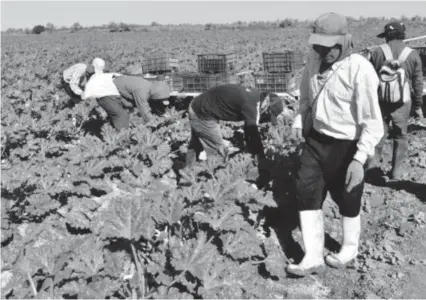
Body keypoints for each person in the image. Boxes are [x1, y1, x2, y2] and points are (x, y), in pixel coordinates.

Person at [286, 12, 384, 277]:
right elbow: (305, 97)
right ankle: (312, 256)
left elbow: (373, 122)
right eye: (319, 44)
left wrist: (359, 160)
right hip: (316, 141)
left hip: (347, 146)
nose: (324, 51)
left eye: (331, 46)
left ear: (346, 41)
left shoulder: (360, 70)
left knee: (348, 198)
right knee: (306, 191)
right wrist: (298, 121)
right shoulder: (313, 59)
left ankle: (349, 249)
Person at [184, 84, 283, 188]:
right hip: (202, 113)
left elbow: (248, 130)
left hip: (197, 105)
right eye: (268, 113)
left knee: (196, 145)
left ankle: (186, 178)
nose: (265, 115)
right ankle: (219, 186)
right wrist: (261, 159)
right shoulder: (252, 105)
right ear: (267, 105)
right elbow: (253, 135)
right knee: (218, 152)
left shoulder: (255, 95)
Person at [366, 21, 424, 182]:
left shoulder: (377, 52)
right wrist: (418, 105)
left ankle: (371, 170)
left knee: (378, 134)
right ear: (403, 35)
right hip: (402, 103)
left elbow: (368, 80)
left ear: (386, 36)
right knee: (400, 135)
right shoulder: (412, 54)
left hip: (380, 102)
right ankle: (396, 173)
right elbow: (418, 82)